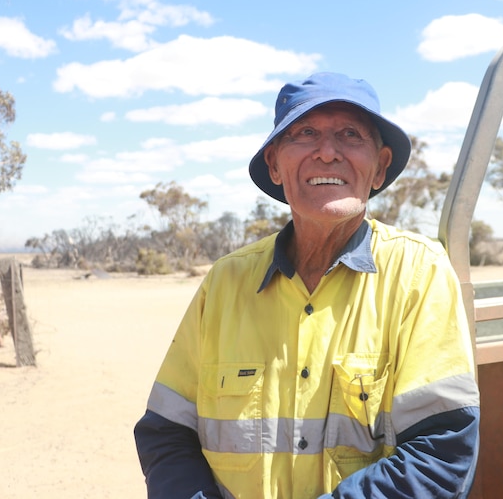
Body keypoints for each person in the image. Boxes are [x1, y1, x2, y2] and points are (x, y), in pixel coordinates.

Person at [134, 72, 480, 498]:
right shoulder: (224, 282)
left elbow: (441, 454)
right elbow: (166, 434)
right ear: (275, 165)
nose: (328, 152)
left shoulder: (418, 273)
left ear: (380, 166)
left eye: (350, 134)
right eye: (306, 133)